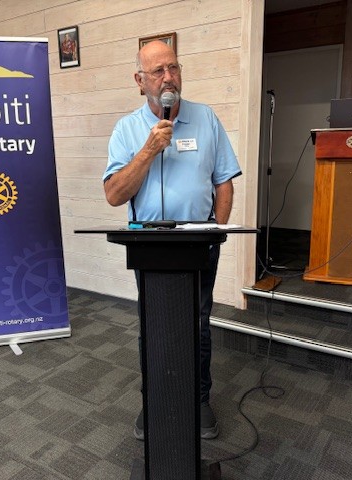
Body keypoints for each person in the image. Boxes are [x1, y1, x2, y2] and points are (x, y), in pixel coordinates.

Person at [103, 40, 241, 440]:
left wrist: (216, 231)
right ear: (139, 80)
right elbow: (114, 194)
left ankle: (199, 399)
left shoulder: (206, 118)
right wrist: (149, 150)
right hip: (149, 246)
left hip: (198, 244)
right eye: (158, 71)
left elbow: (224, 181)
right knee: (155, 324)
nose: (168, 78)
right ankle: (155, 399)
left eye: (174, 68)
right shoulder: (127, 129)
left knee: (197, 323)